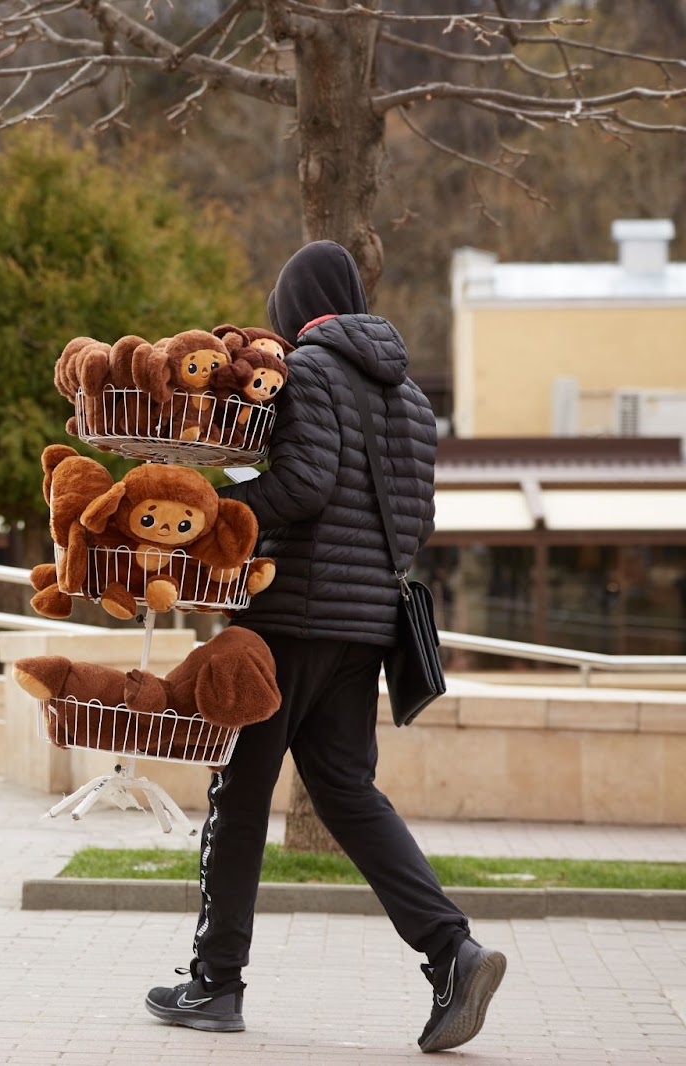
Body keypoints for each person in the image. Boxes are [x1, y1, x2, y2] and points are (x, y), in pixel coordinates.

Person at [143, 242, 506, 1053]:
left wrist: (217, 507)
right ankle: (453, 951)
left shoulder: (305, 369)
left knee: (238, 797)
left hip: (289, 620)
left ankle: (214, 983)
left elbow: (303, 484)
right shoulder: (411, 396)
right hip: (366, 627)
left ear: (292, 308)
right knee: (346, 793)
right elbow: (418, 525)